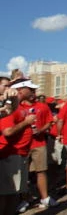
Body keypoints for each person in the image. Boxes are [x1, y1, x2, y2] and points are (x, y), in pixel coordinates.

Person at [0, 80, 37, 214]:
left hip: (19, 154)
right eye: (5, 85)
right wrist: (26, 122)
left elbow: (7, 111)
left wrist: (13, 99)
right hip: (9, 155)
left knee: (13, 194)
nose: (33, 92)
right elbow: (8, 131)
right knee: (5, 194)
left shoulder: (14, 106)